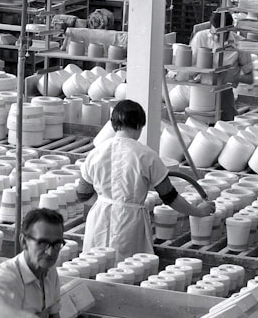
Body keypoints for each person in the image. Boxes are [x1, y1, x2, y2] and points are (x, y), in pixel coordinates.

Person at [77, 100, 215, 261]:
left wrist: (105, 203)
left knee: (94, 268)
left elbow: (82, 194)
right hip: (129, 221)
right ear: (139, 126)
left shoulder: (96, 153)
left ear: (114, 125)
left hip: (99, 219)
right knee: (129, 272)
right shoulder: (146, 156)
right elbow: (170, 197)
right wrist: (198, 211)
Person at [188, 10, 249, 120]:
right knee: (198, 123)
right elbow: (189, 65)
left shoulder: (240, 44)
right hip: (202, 89)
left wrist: (234, 77)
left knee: (228, 122)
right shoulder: (201, 37)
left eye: (221, 34)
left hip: (224, 91)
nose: (216, 38)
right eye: (214, 33)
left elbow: (248, 74)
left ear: (230, 30)